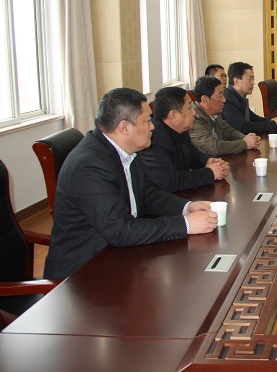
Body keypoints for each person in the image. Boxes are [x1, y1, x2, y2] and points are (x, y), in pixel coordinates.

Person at [44, 88, 218, 281]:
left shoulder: (126, 151)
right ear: (124, 127)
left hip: (119, 253)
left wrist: (187, 207)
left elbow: (147, 194)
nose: (153, 127)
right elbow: (120, 230)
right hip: (83, 274)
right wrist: (185, 224)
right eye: (147, 121)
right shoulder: (89, 166)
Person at [139, 86, 230, 192]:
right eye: (190, 107)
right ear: (173, 116)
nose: (194, 112)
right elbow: (169, 181)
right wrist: (210, 173)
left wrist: (210, 161)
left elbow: (193, 155)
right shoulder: (154, 139)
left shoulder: (181, 129)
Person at [189, 75, 261, 156]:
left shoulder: (215, 113)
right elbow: (213, 147)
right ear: (205, 99)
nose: (224, 100)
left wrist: (245, 138)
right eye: (220, 95)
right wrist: (244, 143)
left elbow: (229, 131)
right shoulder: (194, 118)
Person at [222, 62, 277, 134]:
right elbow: (243, 127)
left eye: (253, 79)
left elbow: (252, 118)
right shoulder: (227, 99)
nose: (253, 83)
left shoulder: (239, 96)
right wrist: (272, 124)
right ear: (236, 81)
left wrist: (271, 121)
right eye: (250, 79)